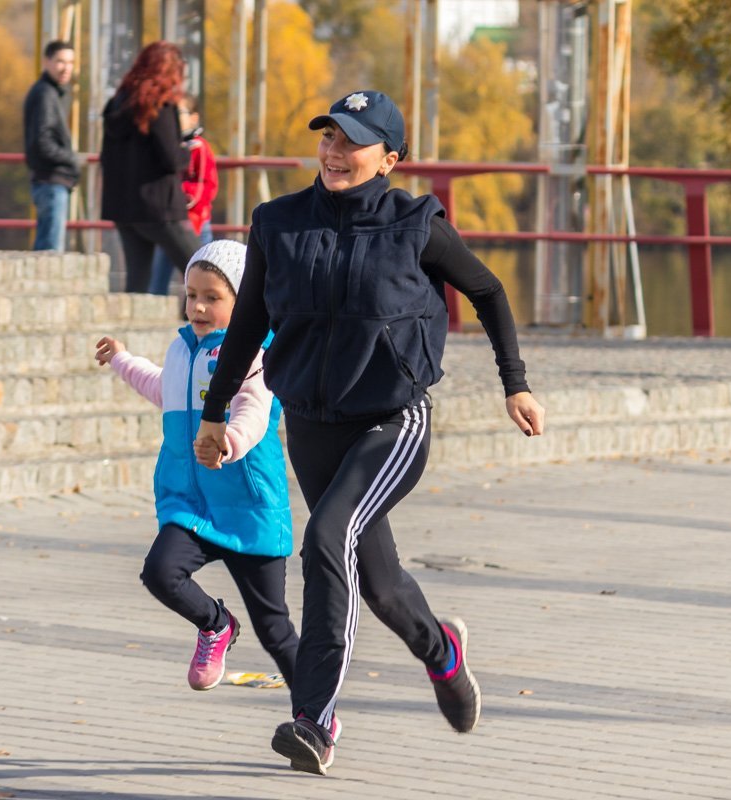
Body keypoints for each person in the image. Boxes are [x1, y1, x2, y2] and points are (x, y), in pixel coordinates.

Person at [194, 90, 546, 776]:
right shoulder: (278, 223)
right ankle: (442, 651)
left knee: (327, 538)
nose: (334, 151)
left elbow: (488, 291)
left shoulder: (415, 224)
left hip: (392, 419)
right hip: (312, 422)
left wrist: (516, 382)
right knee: (378, 583)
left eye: (352, 141)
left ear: (389, 159)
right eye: (328, 136)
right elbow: (248, 323)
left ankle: (314, 719)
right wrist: (214, 413)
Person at [94, 239, 300, 693]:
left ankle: (317, 712)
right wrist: (123, 359)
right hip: (190, 504)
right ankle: (216, 624)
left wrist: (229, 442)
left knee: (275, 629)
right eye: (191, 295)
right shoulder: (182, 349)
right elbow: (162, 387)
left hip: (248, 506)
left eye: (212, 297)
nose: (198, 307)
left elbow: (255, 409)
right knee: (160, 572)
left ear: (244, 302)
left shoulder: (257, 352)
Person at [100, 41, 203, 292]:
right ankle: (198, 316)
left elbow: (106, 158)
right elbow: (171, 158)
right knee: (207, 268)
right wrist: (186, 152)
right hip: (160, 208)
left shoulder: (116, 104)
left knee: (137, 284)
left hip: (124, 207)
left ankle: (130, 321)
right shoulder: (159, 106)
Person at [148, 96, 219, 295]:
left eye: (178, 113)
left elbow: (207, 184)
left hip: (196, 223)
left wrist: (181, 195)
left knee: (204, 276)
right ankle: (156, 303)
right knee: (159, 276)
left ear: (194, 118)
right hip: (172, 222)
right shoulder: (170, 147)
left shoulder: (199, 148)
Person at [23, 40, 79, 252]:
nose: (66, 68)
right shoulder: (45, 94)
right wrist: (71, 158)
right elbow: (42, 142)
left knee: (47, 249)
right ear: (46, 62)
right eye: (60, 62)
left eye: (70, 62)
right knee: (49, 252)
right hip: (51, 182)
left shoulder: (49, 92)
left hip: (50, 181)